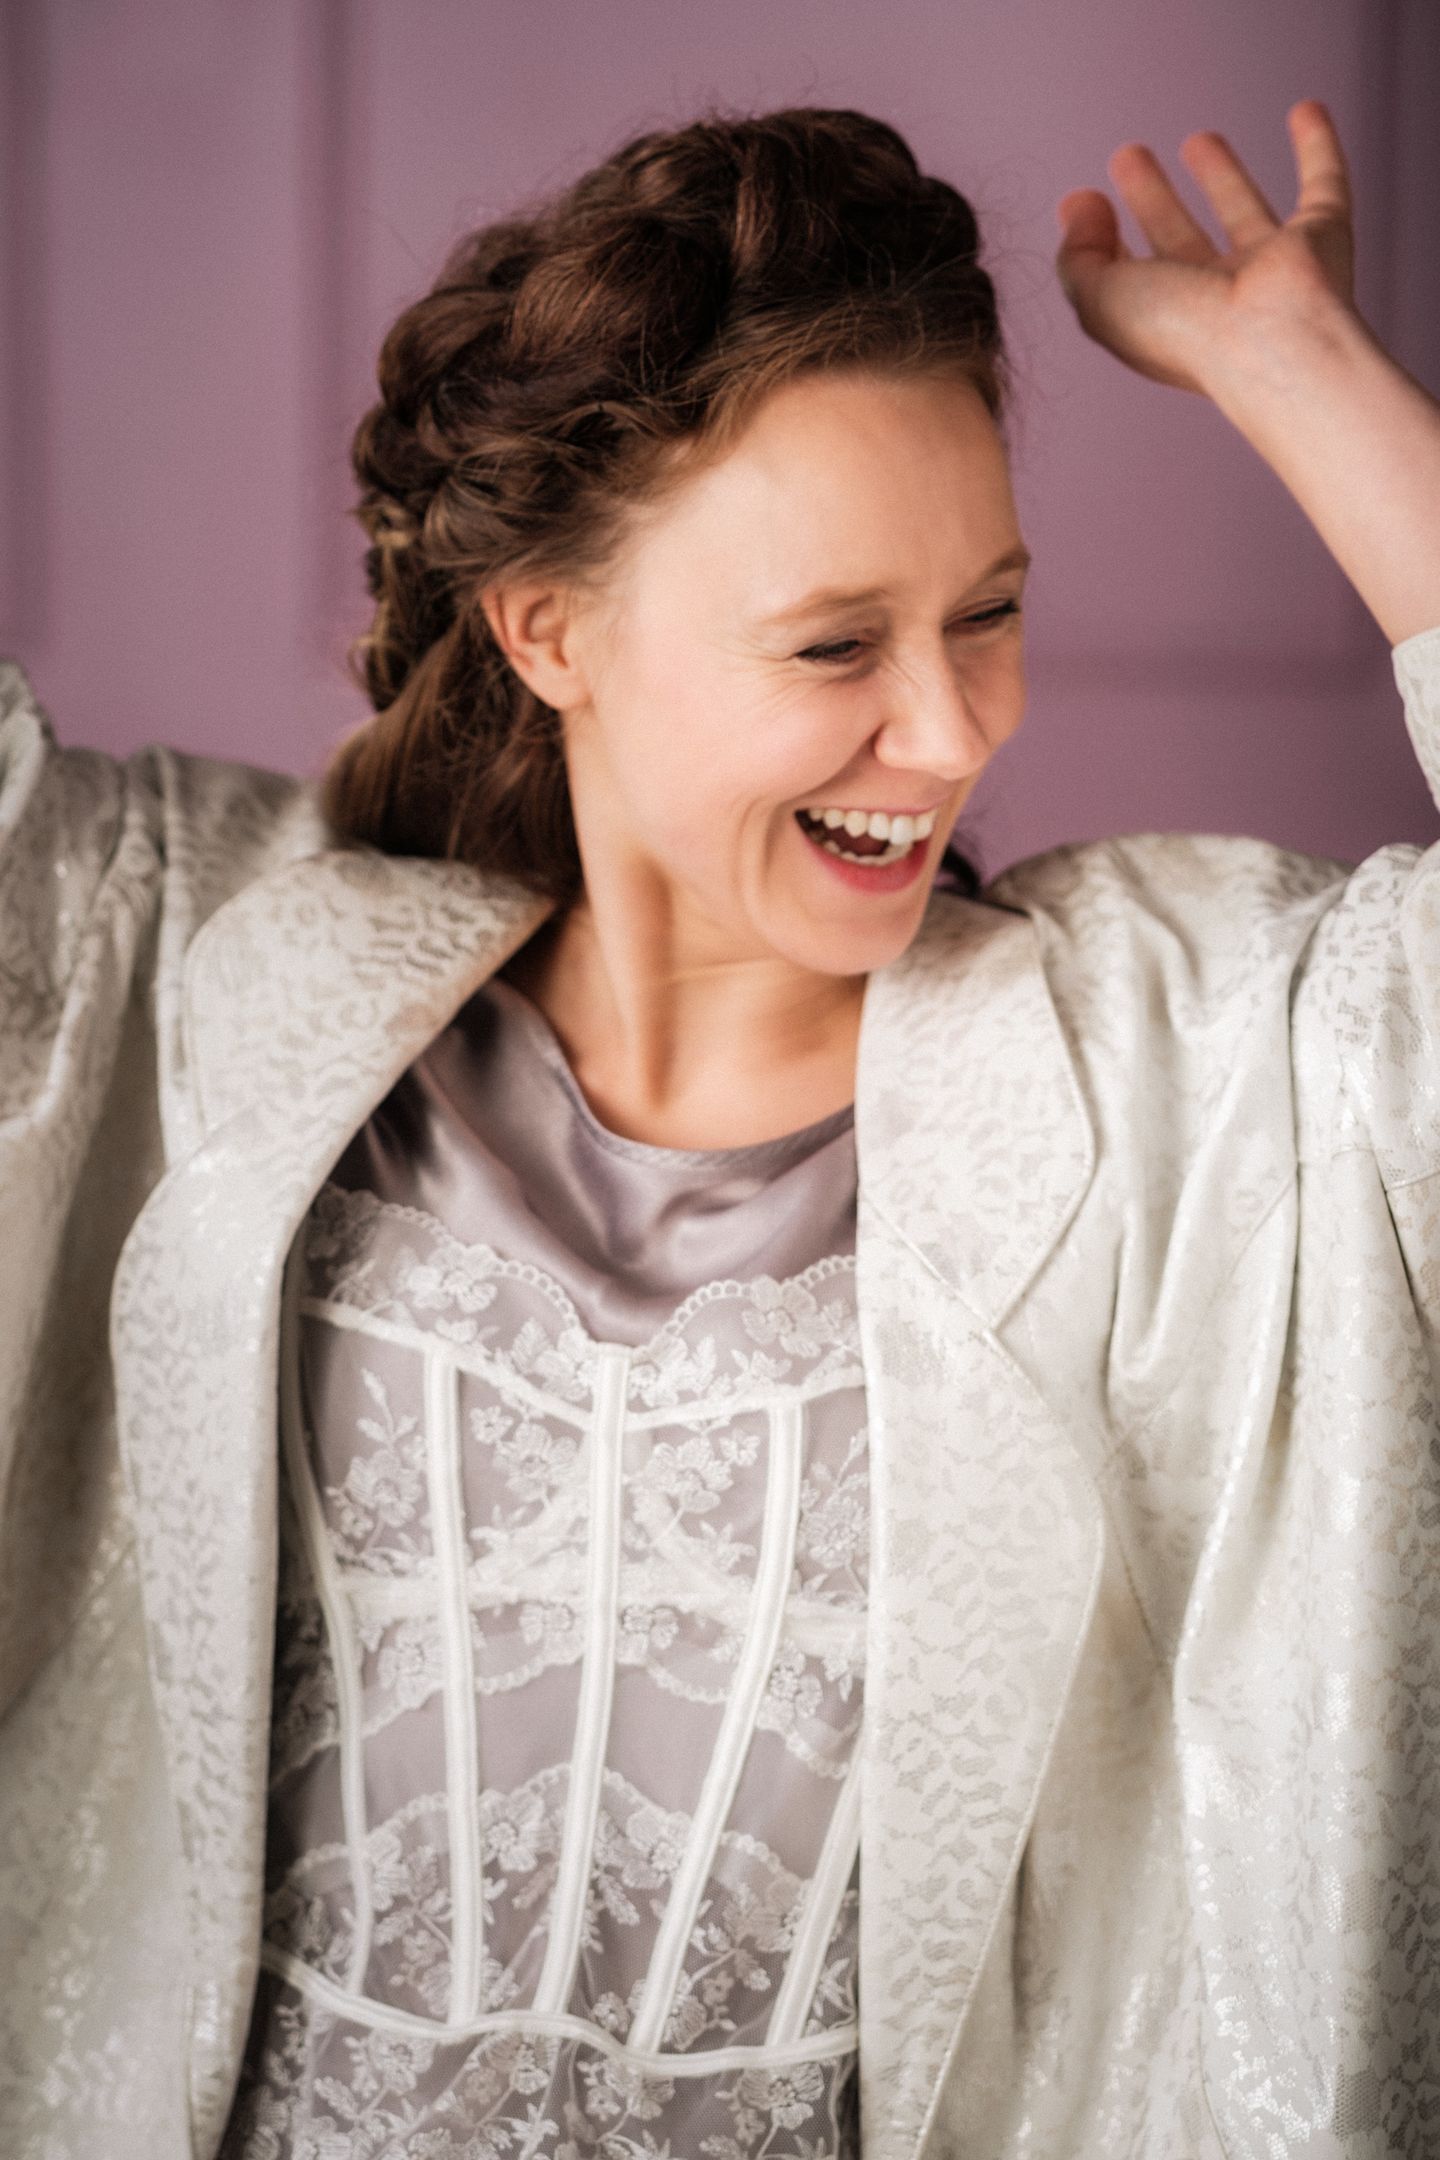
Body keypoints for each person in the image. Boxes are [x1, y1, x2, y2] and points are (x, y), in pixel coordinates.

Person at [0, 94, 1437, 2160]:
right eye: (838, 643)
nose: (954, 726)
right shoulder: (205, 968)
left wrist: (1304, 374)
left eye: (990, 610)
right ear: (548, 628)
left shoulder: (1172, 1072)